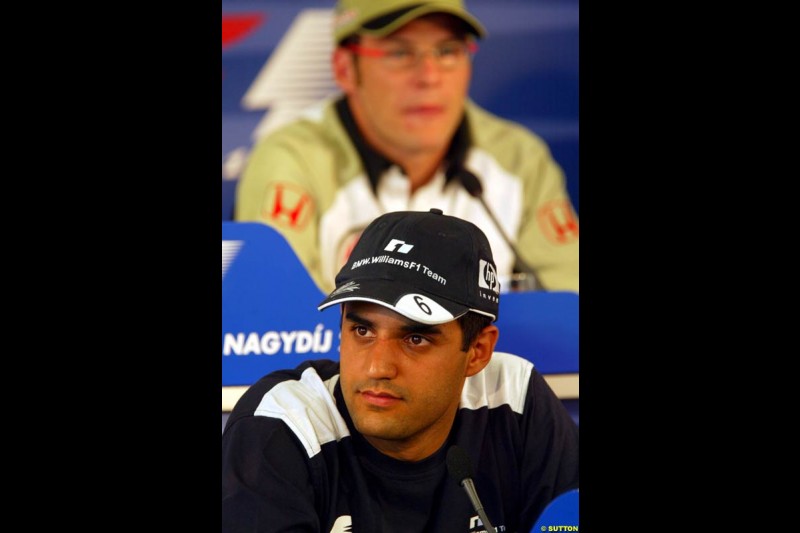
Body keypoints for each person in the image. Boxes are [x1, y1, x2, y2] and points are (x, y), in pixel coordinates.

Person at [222, 208, 579, 532]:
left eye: (415, 339)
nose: (378, 366)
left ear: (478, 351)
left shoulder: (513, 397)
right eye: (362, 331)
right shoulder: (283, 425)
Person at [234, 0, 579, 295]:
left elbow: (569, 308)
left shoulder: (519, 158)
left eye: (447, 51)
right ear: (344, 69)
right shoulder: (293, 158)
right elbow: (274, 326)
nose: (429, 76)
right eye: (399, 52)